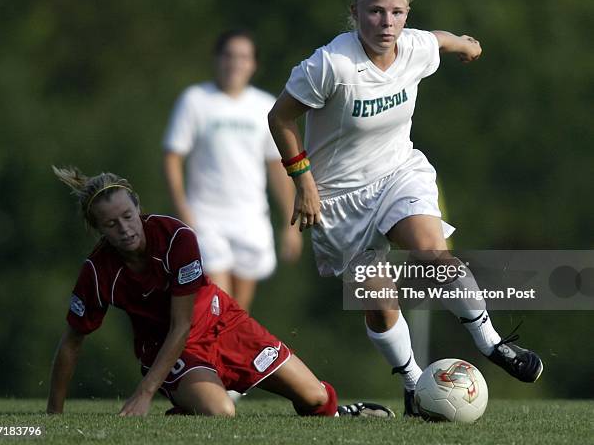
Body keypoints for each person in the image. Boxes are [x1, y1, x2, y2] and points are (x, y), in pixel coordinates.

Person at [267, 0, 543, 416]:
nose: (386, 22)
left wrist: (466, 44)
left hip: (398, 174)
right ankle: (415, 387)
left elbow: (438, 39)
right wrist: (304, 182)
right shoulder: (330, 64)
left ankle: (492, 344)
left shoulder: (413, 46)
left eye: (396, 12)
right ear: (355, 13)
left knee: (434, 254)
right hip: (337, 199)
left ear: (406, 14)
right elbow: (279, 118)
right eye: (375, 11)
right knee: (378, 300)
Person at [46, 166, 392, 418]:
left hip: (224, 324)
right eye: (111, 224)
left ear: (138, 208)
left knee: (317, 399)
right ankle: (190, 406)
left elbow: (183, 322)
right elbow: (71, 343)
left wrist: (143, 395)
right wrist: (54, 415)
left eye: (127, 216)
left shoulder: (176, 238)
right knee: (221, 413)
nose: (124, 228)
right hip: (173, 349)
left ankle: (342, 414)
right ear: (98, 230)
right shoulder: (96, 271)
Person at [163, 30, 301, 313]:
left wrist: (291, 225)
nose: (235, 63)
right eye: (229, 55)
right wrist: (183, 209)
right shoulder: (196, 100)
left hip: (250, 218)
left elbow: (277, 166)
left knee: (238, 310)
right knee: (218, 301)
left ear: (253, 64)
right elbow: (173, 156)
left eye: (243, 57)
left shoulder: (264, 107)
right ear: (217, 60)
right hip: (206, 217)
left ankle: (224, 357)